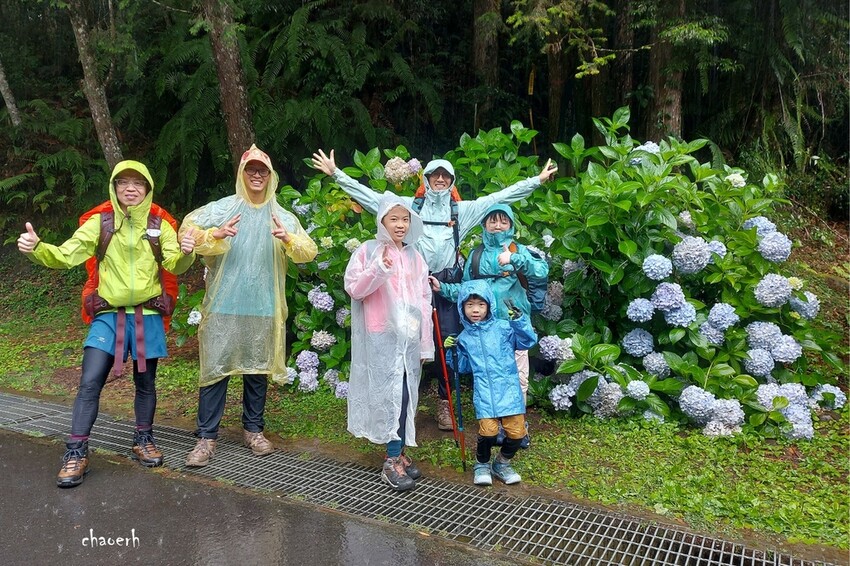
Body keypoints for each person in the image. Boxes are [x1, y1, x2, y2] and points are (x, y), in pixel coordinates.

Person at [311, 149, 557, 430]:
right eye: (434, 174)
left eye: (445, 175)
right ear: (426, 178)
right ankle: (401, 404)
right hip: (410, 286)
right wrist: (336, 174)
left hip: (446, 286)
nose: (440, 179)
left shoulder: (462, 211)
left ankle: (444, 403)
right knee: (403, 340)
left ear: (452, 180)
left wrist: (536, 181)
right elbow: (372, 199)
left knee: (447, 345)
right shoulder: (408, 206)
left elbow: (500, 199)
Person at [16, 160, 197, 487]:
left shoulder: (159, 224)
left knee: (146, 383)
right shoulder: (100, 222)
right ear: (114, 188)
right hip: (109, 315)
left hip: (148, 314)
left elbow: (176, 263)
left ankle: (143, 439)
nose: (131, 188)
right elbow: (66, 255)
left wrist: (187, 252)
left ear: (147, 189)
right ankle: (76, 451)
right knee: (90, 380)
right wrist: (37, 249)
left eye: (138, 183)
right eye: (123, 182)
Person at [181, 145, 317, 467]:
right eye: (251, 170)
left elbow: (309, 250)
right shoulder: (225, 208)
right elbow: (187, 227)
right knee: (215, 370)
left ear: (271, 176)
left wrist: (288, 240)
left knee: (257, 369)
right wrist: (213, 234)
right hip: (225, 303)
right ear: (242, 174)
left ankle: (253, 430)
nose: (257, 175)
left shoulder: (281, 216)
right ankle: (206, 437)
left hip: (263, 305)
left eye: (263, 170)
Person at [344, 192, 434, 492]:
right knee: (388, 396)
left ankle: (399, 452)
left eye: (405, 219)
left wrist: (424, 343)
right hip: (381, 336)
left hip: (407, 340)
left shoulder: (414, 256)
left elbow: (423, 300)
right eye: (394, 219)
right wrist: (378, 269)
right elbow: (355, 290)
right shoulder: (367, 251)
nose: (400, 225)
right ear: (382, 220)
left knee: (406, 395)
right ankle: (390, 459)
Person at [430, 204, 548, 406]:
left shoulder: (518, 250)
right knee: (488, 376)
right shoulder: (476, 255)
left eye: (504, 221)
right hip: (485, 328)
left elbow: (541, 270)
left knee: (518, 375)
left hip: (513, 324)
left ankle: (517, 423)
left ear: (510, 225)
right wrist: (443, 288)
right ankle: (493, 423)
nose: (498, 225)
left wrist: (514, 259)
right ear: (484, 224)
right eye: (493, 220)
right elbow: (467, 290)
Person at [444, 279, 537, 486]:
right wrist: (452, 352)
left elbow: (527, 341)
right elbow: (463, 368)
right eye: (469, 305)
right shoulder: (464, 338)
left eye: (480, 304)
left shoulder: (504, 328)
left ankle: (502, 463)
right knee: (488, 432)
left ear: (489, 305)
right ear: (462, 307)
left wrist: (520, 322)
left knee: (517, 433)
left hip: (509, 390)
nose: (475, 310)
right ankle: (482, 464)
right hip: (485, 392)